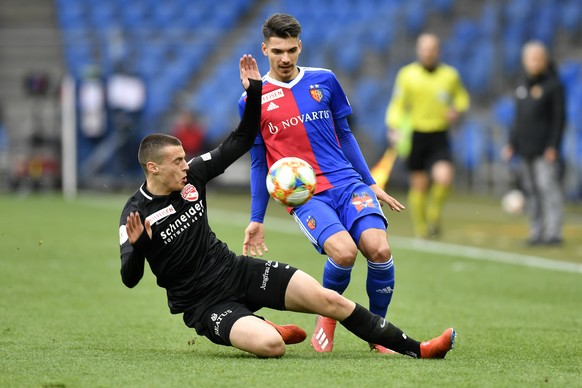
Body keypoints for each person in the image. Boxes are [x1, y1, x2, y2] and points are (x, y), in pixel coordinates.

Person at [119, 54, 456, 359]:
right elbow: (130, 279)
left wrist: (254, 93)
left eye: (184, 158)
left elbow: (239, 140)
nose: (185, 165)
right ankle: (267, 328)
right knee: (272, 347)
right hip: (204, 303)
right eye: (177, 161)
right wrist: (140, 247)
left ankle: (419, 349)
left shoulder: (193, 176)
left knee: (330, 301)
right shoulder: (135, 214)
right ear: (153, 168)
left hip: (237, 271)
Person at [239, 13, 406, 354]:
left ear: (300, 46)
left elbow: (345, 135)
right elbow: (258, 164)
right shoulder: (251, 101)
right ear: (265, 50)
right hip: (305, 194)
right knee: (344, 253)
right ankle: (327, 315)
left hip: (347, 182)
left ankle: (379, 333)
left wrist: (370, 182)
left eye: (290, 50)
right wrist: (257, 218)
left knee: (380, 249)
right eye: (277, 51)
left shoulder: (325, 81)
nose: (285, 58)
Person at [385, 33, 470, 239]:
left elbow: (462, 99)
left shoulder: (450, 75)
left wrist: (456, 111)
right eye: (424, 48)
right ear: (418, 51)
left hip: (439, 134)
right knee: (419, 184)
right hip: (415, 135)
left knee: (444, 177)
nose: (428, 52)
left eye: (432, 48)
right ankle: (422, 228)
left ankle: (434, 213)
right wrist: (394, 127)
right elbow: (397, 104)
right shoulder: (407, 75)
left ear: (438, 51)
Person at [502, 41, 566, 246]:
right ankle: (536, 231)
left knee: (547, 188)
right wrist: (512, 143)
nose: (534, 62)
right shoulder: (521, 85)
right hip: (525, 148)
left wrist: (553, 146)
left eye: (538, 58)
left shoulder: (553, 86)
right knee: (531, 191)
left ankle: (553, 232)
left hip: (544, 149)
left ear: (544, 60)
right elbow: (518, 119)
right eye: (530, 58)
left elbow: (559, 119)